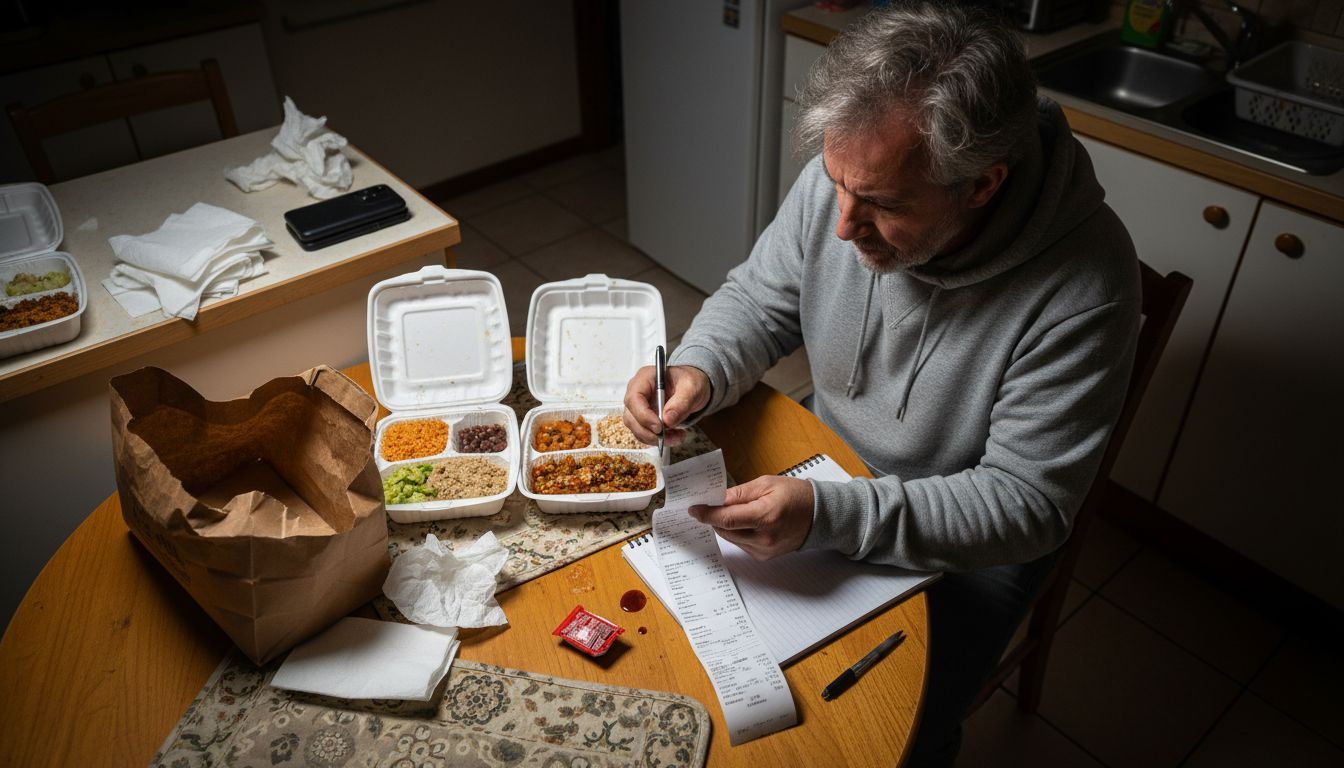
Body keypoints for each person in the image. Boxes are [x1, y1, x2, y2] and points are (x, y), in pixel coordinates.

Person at [622, 1, 1140, 765]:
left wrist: (831, 514)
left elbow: (1025, 504)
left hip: (973, 533)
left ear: (982, 185)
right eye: (837, 184)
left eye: (884, 205)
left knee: (884, 737)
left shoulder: (1087, 287)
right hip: (829, 462)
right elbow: (760, 298)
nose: (843, 225)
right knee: (688, 650)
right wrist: (701, 367)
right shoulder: (855, 172)